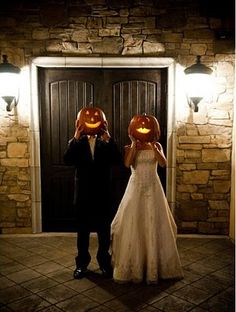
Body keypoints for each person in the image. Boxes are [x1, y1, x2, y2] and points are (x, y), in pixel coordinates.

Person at [111, 114, 184, 284]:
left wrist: (154, 147)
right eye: (139, 125)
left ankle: (154, 266)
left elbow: (163, 163)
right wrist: (134, 146)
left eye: (148, 125)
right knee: (133, 223)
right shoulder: (129, 147)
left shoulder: (156, 145)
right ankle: (134, 267)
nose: (143, 126)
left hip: (153, 186)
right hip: (136, 187)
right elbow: (128, 164)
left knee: (154, 223)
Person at [64, 107, 122, 279]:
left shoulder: (106, 143)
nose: (91, 119)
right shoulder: (75, 142)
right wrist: (75, 137)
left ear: (104, 123)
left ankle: (104, 262)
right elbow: (67, 160)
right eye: (86, 117)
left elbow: (118, 161)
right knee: (83, 233)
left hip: (103, 195)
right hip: (83, 195)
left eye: (96, 117)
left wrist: (109, 139)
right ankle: (81, 264)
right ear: (78, 122)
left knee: (104, 233)